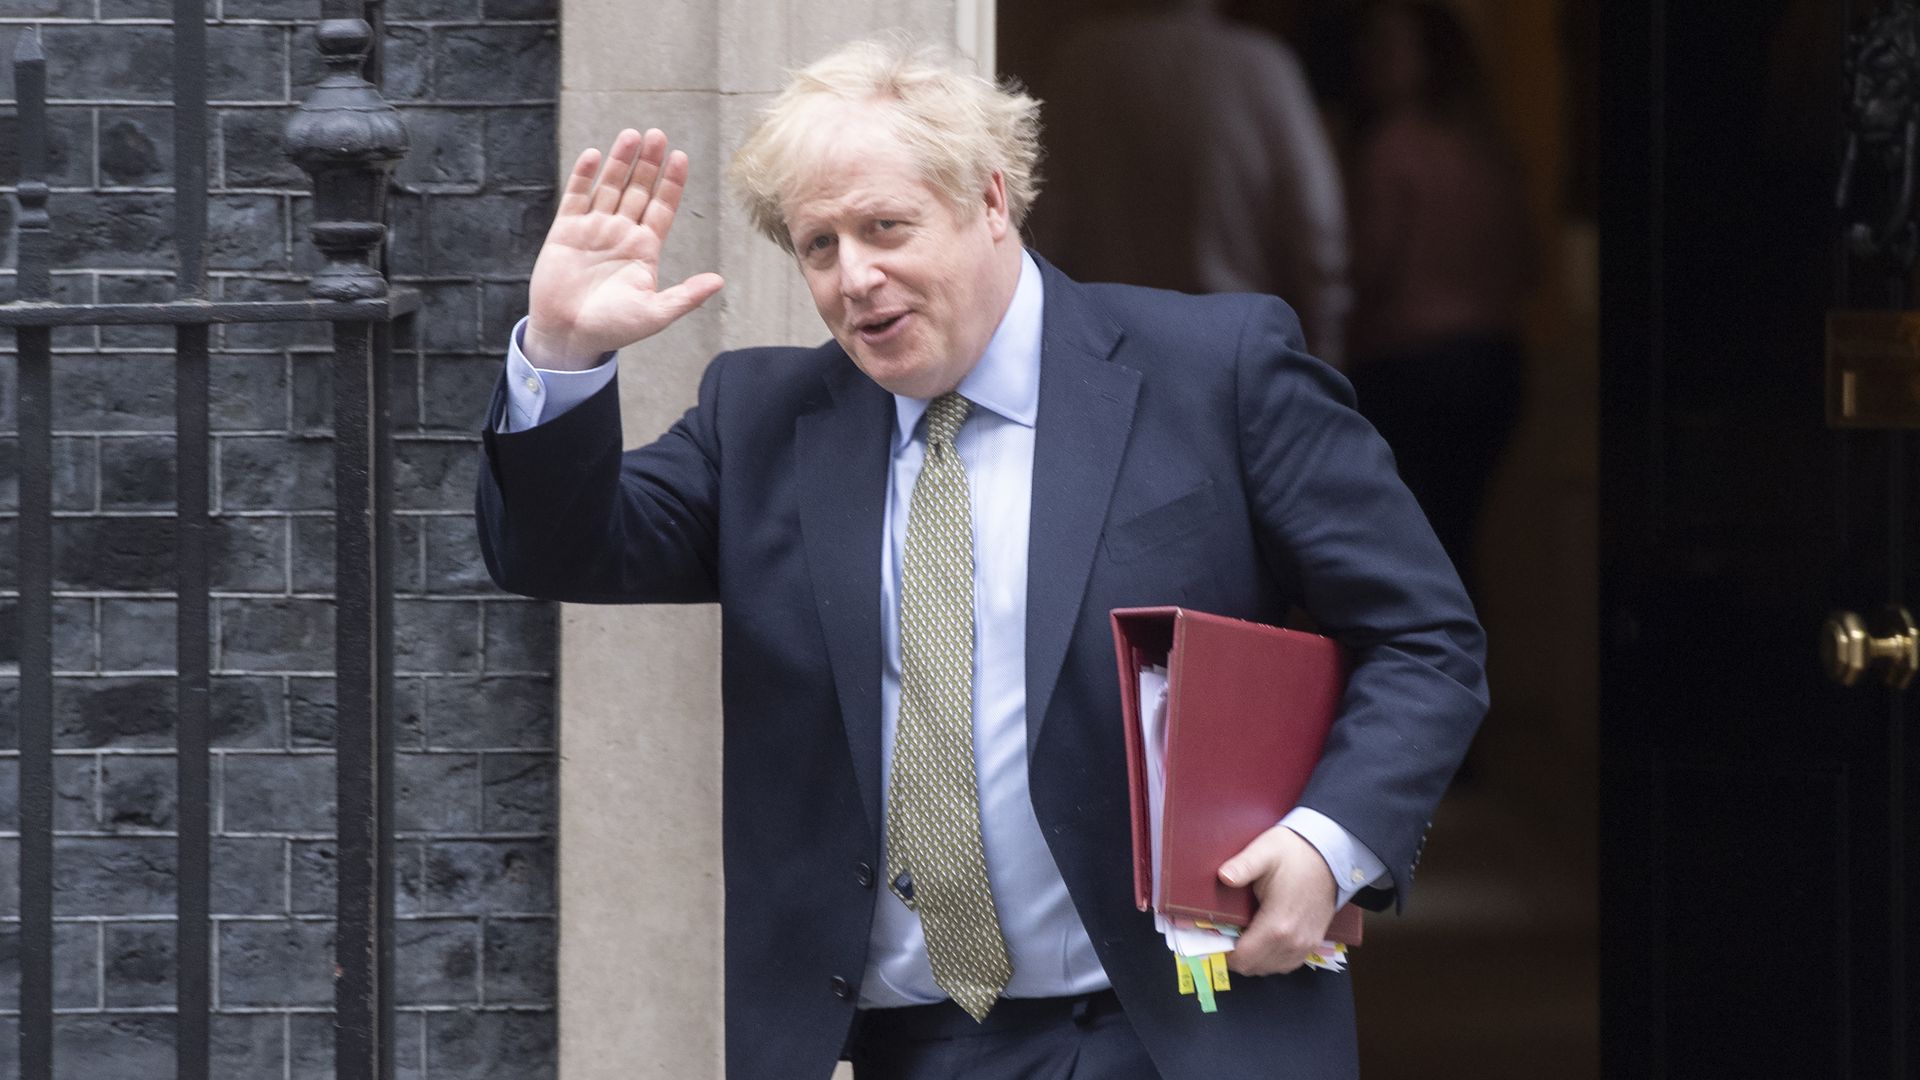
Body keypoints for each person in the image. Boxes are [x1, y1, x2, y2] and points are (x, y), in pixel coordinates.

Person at [476, 38, 1485, 1080]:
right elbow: (560, 547)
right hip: (912, 1046)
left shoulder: (1215, 373)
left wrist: (1330, 842)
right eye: (818, 246)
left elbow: (1424, 639)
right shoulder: (764, 420)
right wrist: (562, 348)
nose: (854, 276)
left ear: (993, 200)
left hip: (1181, 1027)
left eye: (885, 228)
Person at [1031, 0, 1351, 363]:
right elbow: (1316, 227)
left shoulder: (1083, 66)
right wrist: (1326, 358)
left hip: (1111, 349)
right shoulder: (1261, 67)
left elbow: (1044, 223)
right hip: (1234, 352)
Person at [1343, 0, 1533, 593]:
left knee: (1413, 550)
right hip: (1493, 364)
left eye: (1388, 46)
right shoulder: (1487, 147)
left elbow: (1366, 268)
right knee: (1459, 538)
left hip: (1409, 370)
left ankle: (1428, 676)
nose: (1371, 60)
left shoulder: (1390, 148)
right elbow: (1531, 263)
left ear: (1428, 59)